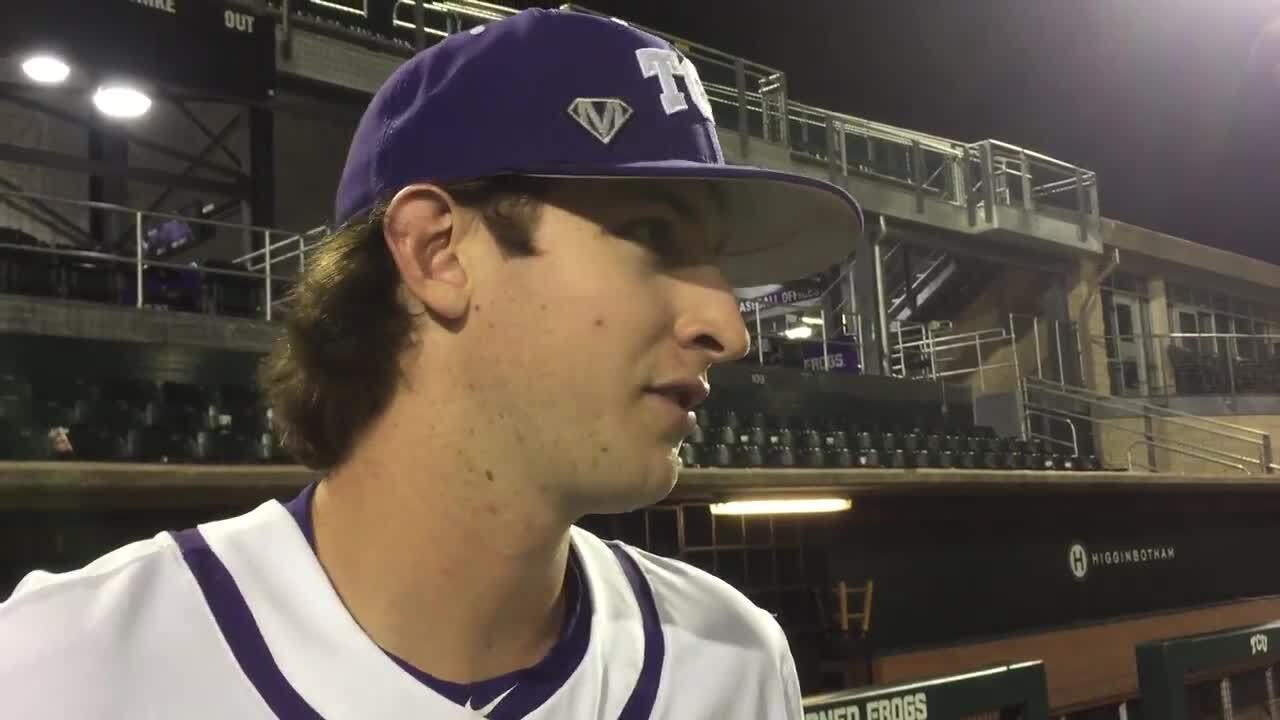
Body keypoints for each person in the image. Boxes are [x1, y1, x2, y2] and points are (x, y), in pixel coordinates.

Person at [0, 8, 861, 718]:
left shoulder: (733, 658)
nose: (728, 327)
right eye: (652, 235)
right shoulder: (58, 668)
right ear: (437, 249)